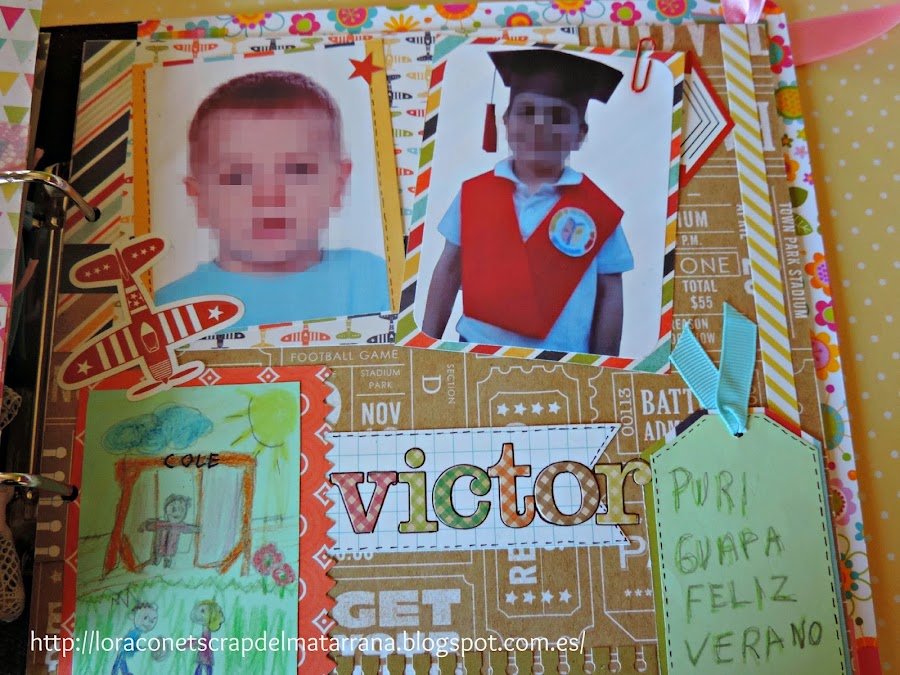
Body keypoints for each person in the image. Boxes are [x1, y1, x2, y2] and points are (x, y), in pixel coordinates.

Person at [423, 49, 633, 355]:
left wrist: (606, 367)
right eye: (527, 111)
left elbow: (610, 291)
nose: (540, 125)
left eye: (558, 117)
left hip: (563, 360)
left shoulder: (597, 210)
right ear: (505, 122)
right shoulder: (473, 193)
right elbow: (449, 269)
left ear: (580, 134)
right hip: (475, 351)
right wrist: (426, 344)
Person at [154, 70, 390, 327]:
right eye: (237, 177)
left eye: (298, 170)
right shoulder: (170, 310)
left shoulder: (374, 281)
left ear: (337, 186)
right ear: (200, 199)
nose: (269, 196)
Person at [139, 494, 199, 568]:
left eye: (181, 509)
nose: (176, 512)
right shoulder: (162, 524)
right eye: (173, 508)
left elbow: (189, 528)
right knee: (156, 559)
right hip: (159, 549)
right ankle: (155, 561)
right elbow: (152, 525)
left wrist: (197, 529)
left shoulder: (180, 526)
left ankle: (166, 563)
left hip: (171, 550)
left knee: (168, 558)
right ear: (166, 510)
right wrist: (144, 526)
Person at [110, 602, 158, 675]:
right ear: (133, 616)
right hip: (124, 650)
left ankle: (124, 673)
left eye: (152, 621)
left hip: (124, 650)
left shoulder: (138, 632)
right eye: (145, 618)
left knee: (121, 662)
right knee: (120, 662)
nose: (148, 623)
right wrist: (141, 646)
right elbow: (130, 643)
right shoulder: (135, 632)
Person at [190, 599, 225, 675]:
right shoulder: (205, 632)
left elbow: (202, 641)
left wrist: (193, 643)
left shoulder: (206, 633)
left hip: (205, 654)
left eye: (203, 611)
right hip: (205, 654)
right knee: (203, 668)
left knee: (203, 668)